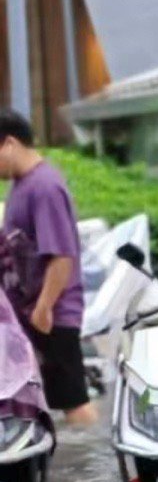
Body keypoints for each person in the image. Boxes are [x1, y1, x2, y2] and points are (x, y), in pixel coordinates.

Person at [0, 108, 93, 425]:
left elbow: (62, 255)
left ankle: (85, 466)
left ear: (9, 143)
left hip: (52, 314)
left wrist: (43, 308)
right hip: (30, 312)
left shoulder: (45, 186)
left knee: (72, 400)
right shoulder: (20, 186)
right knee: (43, 396)